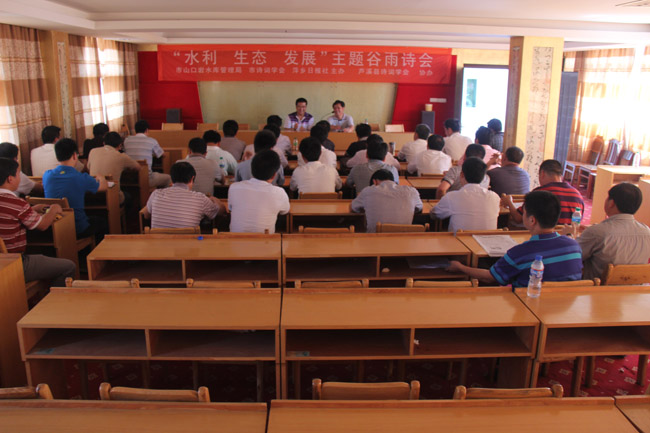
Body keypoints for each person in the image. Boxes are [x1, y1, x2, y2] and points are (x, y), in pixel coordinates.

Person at [448, 191, 583, 287]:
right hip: (564, 309)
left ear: (532, 220)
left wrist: (460, 267)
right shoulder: (574, 246)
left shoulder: (521, 252)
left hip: (527, 307)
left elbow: (490, 278)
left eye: (524, 212)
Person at [0, 157, 76, 287]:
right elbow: (43, 225)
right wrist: (53, 209)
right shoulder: (16, 203)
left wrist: (31, 209)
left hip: (2, 263)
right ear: (10, 179)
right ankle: (55, 299)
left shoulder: (16, 205)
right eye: (18, 174)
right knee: (68, 267)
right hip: (15, 264)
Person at [573, 183, 650, 280]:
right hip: (635, 287)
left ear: (611, 203)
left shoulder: (597, 232)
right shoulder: (647, 232)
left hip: (597, 288)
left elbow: (572, 256)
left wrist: (569, 238)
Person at [42, 138, 108, 240]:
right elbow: (104, 187)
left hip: (54, 226)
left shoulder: (47, 175)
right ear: (74, 155)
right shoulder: (80, 177)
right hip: (76, 228)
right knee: (102, 222)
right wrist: (101, 178)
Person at [143, 161, 225, 229]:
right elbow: (220, 212)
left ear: (172, 178)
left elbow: (146, 215)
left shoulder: (156, 194)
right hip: (189, 243)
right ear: (192, 179)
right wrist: (215, 199)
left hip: (158, 242)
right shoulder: (200, 198)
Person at [502, 159, 584, 225]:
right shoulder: (577, 195)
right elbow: (578, 222)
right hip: (569, 238)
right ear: (561, 176)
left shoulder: (539, 194)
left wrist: (509, 202)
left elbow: (518, 218)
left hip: (545, 238)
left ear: (542, 173)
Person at [228, 150, 290, 233]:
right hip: (265, 240)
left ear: (252, 170)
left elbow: (230, 208)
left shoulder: (234, 187)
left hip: (234, 239)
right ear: (274, 175)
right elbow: (285, 211)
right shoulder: (279, 192)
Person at [432, 157, 500, 232]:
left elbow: (434, 214)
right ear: (483, 177)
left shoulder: (452, 197)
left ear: (461, 175)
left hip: (458, 238)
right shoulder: (495, 197)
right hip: (488, 239)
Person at [351, 169, 422, 233]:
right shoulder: (412, 191)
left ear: (374, 182)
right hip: (404, 238)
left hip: (375, 239)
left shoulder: (368, 191)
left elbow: (354, 207)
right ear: (393, 181)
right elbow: (419, 208)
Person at [87, 132, 140, 204]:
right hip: (112, 196)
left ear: (104, 143)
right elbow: (138, 167)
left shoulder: (92, 151)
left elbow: (88, 168)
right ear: (120, 145)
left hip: (93, 196)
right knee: (129, 196)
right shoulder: (121, 156)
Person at [123, 120, 171, 188]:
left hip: (130, 178)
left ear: (135, 130)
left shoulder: (127, 140)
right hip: (146, 178)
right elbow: (163, 155)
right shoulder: (152, 141)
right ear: (147, 130)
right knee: (168, 178)